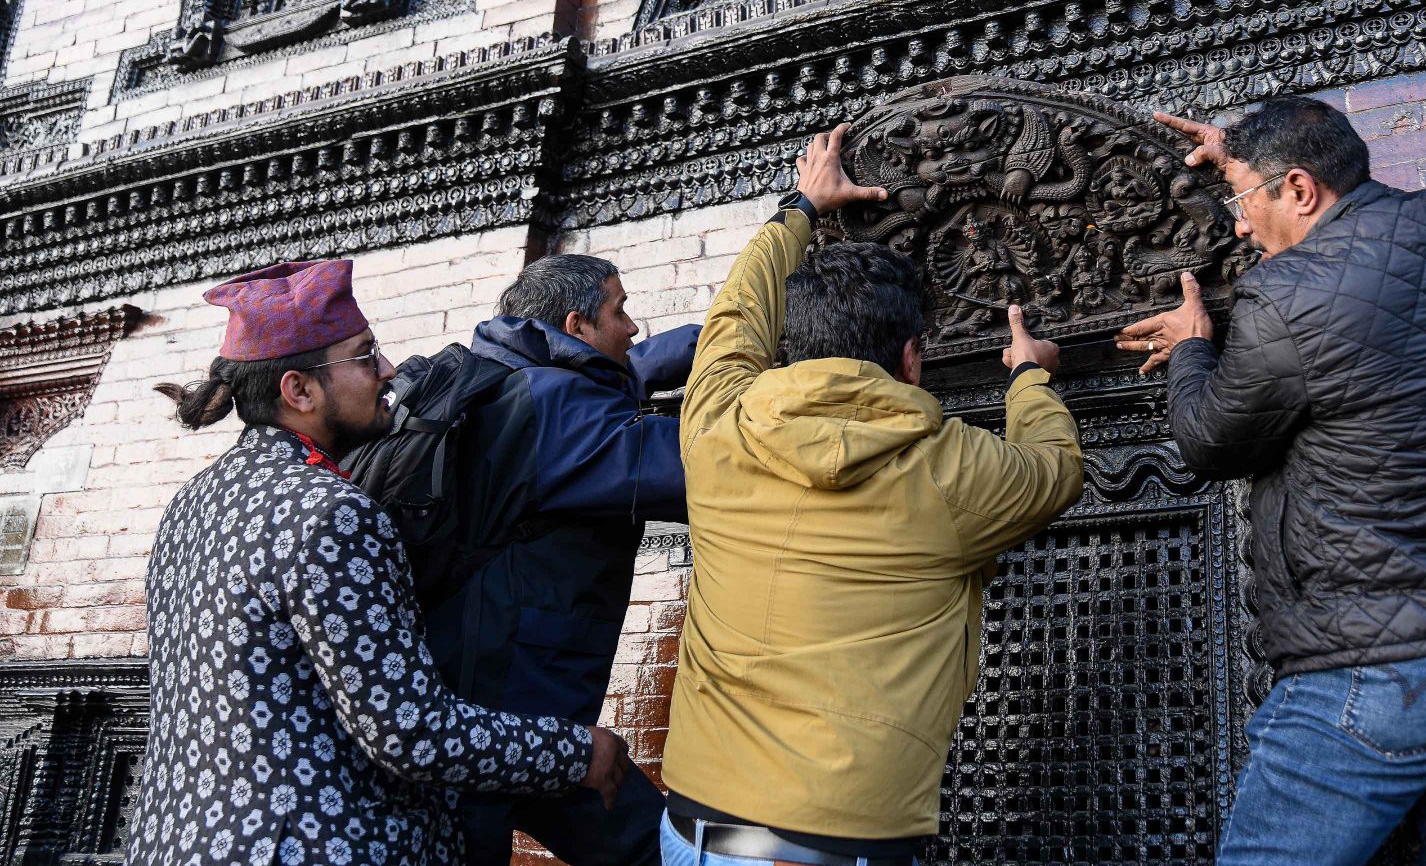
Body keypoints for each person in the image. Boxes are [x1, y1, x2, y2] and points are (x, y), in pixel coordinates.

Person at [1117, 99, 1426, 865]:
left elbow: (1211, 443)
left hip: (1388, 676)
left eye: (1246, 202)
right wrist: (1248, 159)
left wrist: (1191, 347)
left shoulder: (1284, 294)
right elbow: (1387, 243)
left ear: (1300, 191)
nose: (1241, 226)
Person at [659, 126, 1085, 865]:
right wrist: (1028, 376)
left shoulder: (717, 427)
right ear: (912, 359)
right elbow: (1054, 468)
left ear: (790, 346)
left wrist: (802, 206)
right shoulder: (953, 471)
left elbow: (734, 318)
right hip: (844, 841)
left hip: (697, 832)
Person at [129, 260, 628, 866]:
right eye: (366, 356)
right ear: (300, 391)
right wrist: (577, 753)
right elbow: (409, 733)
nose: (388, 372)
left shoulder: (194, 501)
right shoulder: (331, 512)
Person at [426, 255, 698, 866]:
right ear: (576, 327)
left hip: (511, 707)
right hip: (508, 720)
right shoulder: (558, 411)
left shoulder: (513, 378)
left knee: (655, 849)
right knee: (661, 853)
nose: (631, 328)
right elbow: (703, 467)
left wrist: (710, 341)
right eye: (619, 311)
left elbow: (628, 366)